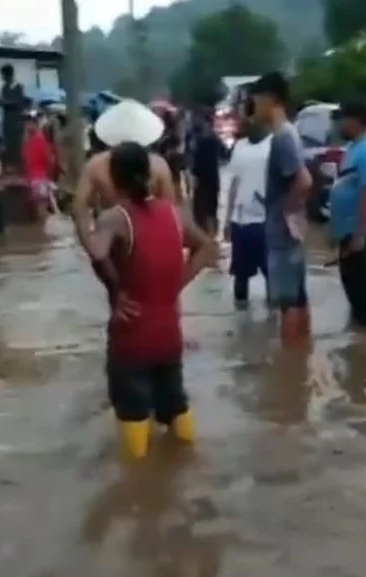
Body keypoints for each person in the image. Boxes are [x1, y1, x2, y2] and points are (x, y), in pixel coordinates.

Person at [84, 142, 216, 460]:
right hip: (169, 331)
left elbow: (97, 252)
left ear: (115, 179)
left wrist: (116, 288)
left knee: (133, 413)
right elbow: (208, 248)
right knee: (174, 404)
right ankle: (185, 465)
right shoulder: (174, 212)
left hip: (132, 333)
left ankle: (140, 488)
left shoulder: (115, 218)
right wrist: (176, 284)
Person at [250, 71, 313, 346]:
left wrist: (286, 210)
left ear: (269, 100)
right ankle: (301, 356)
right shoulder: (289, 133)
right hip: (291, 232)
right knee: (298, 296)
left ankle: (289, 364)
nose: (255, 107)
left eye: (257, 101)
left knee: (287, 302)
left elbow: (304, 181)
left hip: (283, 235)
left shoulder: (282, 138)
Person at [73, 100, 176, 256]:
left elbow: (79, 209)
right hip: (150, 243)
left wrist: (91, 250)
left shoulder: (95, 165)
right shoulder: (159, 165)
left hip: (114, 242)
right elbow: (171, 212)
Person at [328, 100, 366, 331]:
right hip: (348, 235)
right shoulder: (355, 148)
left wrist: (360, 236)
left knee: (364, 302)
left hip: (359, 237)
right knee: (354, 295)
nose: (339, 124)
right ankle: (358, 351)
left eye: (342, 119)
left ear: (356, 120)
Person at [224, 96, 271, 309]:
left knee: (271, 274)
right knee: (240, 276)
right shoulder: (239, 147)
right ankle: (241, 322)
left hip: (264, 221)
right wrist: (227, 219)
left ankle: (273, 321)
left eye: (245, 115)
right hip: (240, 221)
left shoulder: (273, 145)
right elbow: (234, 184)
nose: (241, 120)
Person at [191, 108, 225, 236]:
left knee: (202, 212)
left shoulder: (201, 140)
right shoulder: (215, 138)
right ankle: (213, 237)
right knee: (212, 210)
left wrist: (193, 184)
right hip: (214, 179)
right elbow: (224, 154)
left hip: (202, 182)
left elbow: (197, 166)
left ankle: (208, 239)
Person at [22, 113, 55, 224]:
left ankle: (42, 232)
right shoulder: (29, 140)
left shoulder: (38, 139)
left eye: (30, 123)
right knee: (40, 208)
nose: (27, 126)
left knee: (41, 209)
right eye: (26, 124)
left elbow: (49, 159)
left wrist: (48, 176)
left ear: (35, 125)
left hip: (39, 178)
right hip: (35, 178)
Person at [0, 63, 25, 169]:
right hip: (7, 122)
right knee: (7, 145)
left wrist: (2, 102)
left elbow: (17, 102)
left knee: (17, 146)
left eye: (3, 75)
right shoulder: (4, 88)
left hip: (16, 122)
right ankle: (10, 167)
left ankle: (18, 167)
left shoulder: (18, 87)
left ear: (8, 75)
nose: (2, 77)